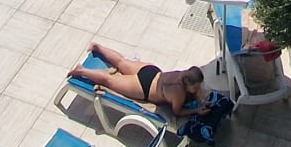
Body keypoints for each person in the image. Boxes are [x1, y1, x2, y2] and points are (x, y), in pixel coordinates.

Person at [75, 43, 212, 120]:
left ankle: (97, 47)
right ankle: (81, 71)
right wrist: (196, 110)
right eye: (196, 87)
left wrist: (201, 100)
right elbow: (177, 112)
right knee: (109, 80)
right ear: (188, 84)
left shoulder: (184, 73)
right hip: (144, 87)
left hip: (151, 71)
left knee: (122, 62)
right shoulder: (179, 93)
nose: (198, 89)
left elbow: (195, 88)